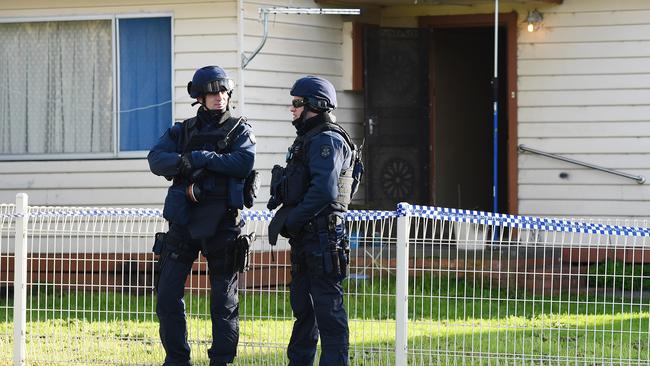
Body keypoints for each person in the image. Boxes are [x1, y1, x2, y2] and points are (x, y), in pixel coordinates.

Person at [148, 65, 256, 366]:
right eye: (212, 92)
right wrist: (186, 163)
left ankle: (221, 361)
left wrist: (204, 158)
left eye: (223, 91)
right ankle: (177, 359)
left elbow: (243, 162)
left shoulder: (239, 129)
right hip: (184, 221)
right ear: (200, 97)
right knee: (167, 296)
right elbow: (156, 159)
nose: (219, 97)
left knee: (223, 302)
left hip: (223, 223)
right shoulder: (182, 131)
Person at [268, 76, 362, 366]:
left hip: (323, 239)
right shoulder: (309, 138)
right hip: (307, 239)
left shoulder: (327, 139)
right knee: (304, 309)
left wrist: (293, 220)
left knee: (328, 311)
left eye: (297, 103)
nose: (292, 110)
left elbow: (324, 190)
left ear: (315, 106)